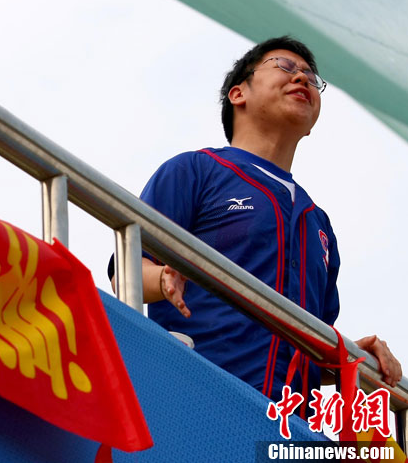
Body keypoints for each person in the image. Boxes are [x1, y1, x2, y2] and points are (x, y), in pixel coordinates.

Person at [110, 36, 402, 402]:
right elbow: (125, 272)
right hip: (192, 396)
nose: (302, 79)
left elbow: (310, 349)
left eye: (312, 78)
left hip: (287, 424)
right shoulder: (195, 170)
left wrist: (355, 360)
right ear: (238, 94)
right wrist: (164, 278)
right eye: (285, 67)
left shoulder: (320, 225)